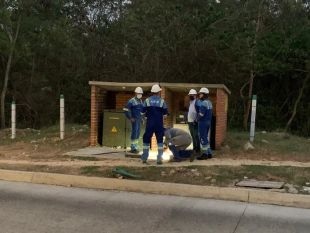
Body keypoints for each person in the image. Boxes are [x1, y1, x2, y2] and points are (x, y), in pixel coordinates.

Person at [141, 84, 168, 165]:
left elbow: (142, 112)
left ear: (152, 92)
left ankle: (145, 158)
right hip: (159, 124)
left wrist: (145, 117)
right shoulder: (162, 101)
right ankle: (159, 159)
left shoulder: (147, 100)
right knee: (160, 141)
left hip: (150, 124)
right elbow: (165, 114)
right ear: (159, 92)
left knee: (146, 139)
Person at [123, 87, 144, 154]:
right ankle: (133, 148)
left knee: (137, 134)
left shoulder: (140, 101)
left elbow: (141, 111)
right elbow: (125, 109)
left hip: (139, 119)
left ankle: (135, 147)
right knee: (134, 133)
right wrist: (130, 117)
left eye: (141, 93)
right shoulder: (131, 101)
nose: (140, 94)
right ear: (135, 93)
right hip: (134, 120)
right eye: (139, 93)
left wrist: (142, 118)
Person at [196, 87, 213, 160]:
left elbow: (201, 114)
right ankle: (209, 153)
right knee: (205, 138)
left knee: (203, 138)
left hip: (203, 122)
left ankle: (204, 154)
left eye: (200, 94)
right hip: (208, 122)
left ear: (204, 94)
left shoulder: (203, 103)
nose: (199, 95)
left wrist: (196, 119)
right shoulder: (209, 102)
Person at [187, 89, 200, 157]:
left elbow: (199, 112)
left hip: (194, 122)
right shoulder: (191, 102)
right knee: (193, 136)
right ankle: (195, 148)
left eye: (191, 95)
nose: (190, 96)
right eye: (190, 95)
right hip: (190, 122)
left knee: (195, 135)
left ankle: (197, 149)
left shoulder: (197, 102)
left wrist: (196, 120)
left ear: (195, 95)